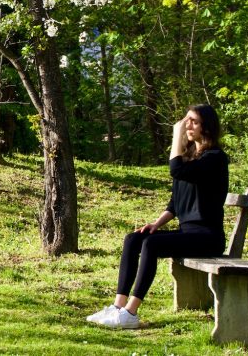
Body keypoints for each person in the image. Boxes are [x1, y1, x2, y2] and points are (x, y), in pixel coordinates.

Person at [87, 104, 229, 329]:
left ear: (207, 127)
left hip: (207, 237)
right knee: (134, 239)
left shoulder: (215, 158)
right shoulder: (191, 158)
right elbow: (175, 203)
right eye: (186, 120)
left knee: (152, 244)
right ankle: (117, 306)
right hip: (188, 233)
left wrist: (176, 135)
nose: (187, 125)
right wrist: (156, 223)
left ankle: (131, 313)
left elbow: (175, 170)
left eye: (193, 121)